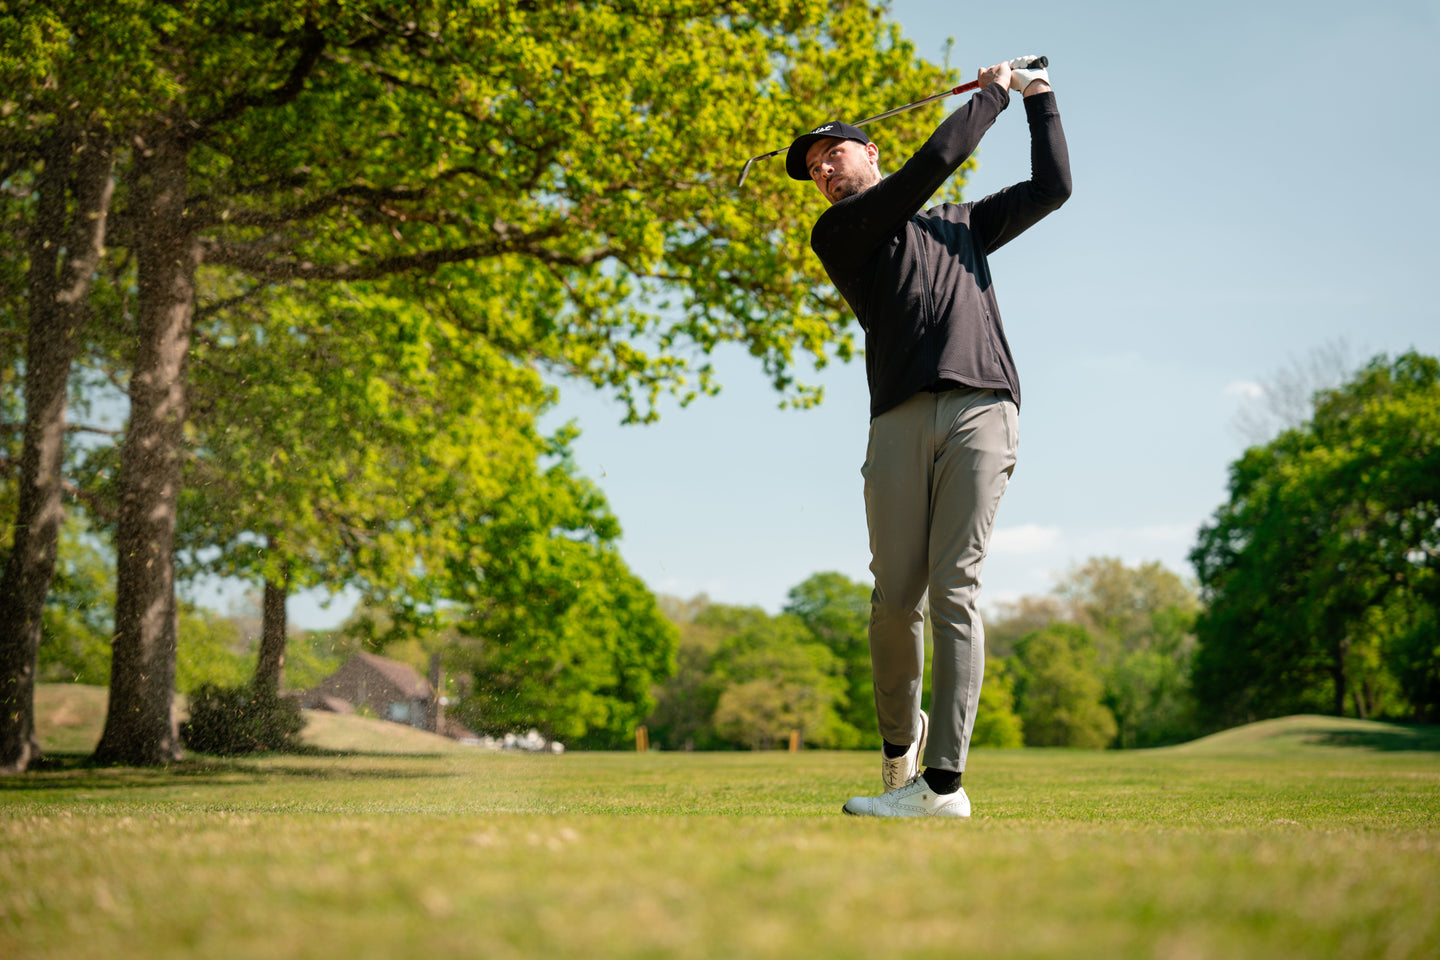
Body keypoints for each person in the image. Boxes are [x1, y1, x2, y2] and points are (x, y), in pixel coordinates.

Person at [786, 58, 1070, 817]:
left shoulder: (962, 224)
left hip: (983, 409)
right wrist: (990, 98)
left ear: (867, 151)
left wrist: (1038, 99)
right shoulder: (840, 232)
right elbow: (931, 165)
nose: (823, 170)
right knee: (893, 602)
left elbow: (1053, 190)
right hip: (899, 419)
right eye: (814, 168)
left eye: (831, 154)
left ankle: (942, 785)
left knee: (956, 590)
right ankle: (896, 747)